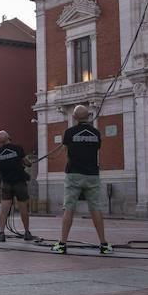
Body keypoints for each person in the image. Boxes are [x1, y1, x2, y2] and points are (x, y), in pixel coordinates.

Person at [53, 104, 111, 255]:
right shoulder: (96, 133)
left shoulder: (69, 132)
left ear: (74, 117)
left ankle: (62, 244)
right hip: (92, 174)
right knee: (96, 208)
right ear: (89, 116)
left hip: (74, 174)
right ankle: (104, 244)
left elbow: (65, 150)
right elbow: (96, 149)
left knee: (69, 208)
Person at [0, 130, 34, 242]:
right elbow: (26, 162)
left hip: (6, 183)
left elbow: (0, 167)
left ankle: (1, 233)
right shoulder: (18, 148)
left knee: (4, 208)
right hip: (19, 182)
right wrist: (27, 163)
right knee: (23, 207)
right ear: (9, 137)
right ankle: (27, 232)